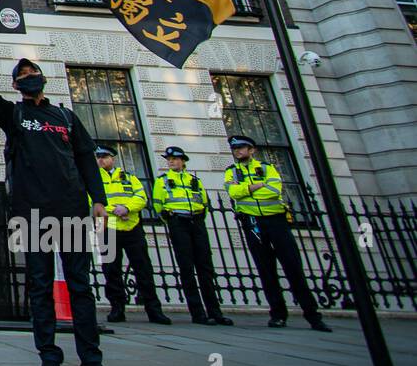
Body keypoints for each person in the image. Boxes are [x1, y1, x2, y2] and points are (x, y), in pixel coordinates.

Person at [0, 33, 119, 366]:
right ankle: (49, 358)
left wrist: (98, 199)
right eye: (21, 76)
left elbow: (85, 157)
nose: (28, 77)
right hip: (30, 212)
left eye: (31, 72)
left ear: (42, 78)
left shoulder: (65, 117)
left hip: (71, 210)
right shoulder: (16, 114)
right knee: (38, 287)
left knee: (80, 286)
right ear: (17, 85)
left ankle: (90, 361)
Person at [226, 135, 329, 332]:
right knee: (265, 269)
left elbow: (274, 190)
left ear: (252, 149)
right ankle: (278, 315)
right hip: (252, 222)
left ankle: (313, 315)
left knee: (293, 267)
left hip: (276, 220)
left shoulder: (267, 168)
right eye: (235, 149)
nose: (238, 151)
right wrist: (255, 186)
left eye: (241, 148)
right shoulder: (231, 172)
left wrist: (246, 189)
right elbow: (232, 193)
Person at [154, 146, 232, 326]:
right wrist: (172, 219)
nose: (171, 162)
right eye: (169, 159)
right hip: (177, 222)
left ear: (183, 161)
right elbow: (158, 205)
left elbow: (203, 202)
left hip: (196, 222)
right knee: (187, 268)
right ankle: (197, 313)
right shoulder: (162, 181)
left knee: (205, 268)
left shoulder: (194, 180)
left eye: (174, 159)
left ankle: (215, 311)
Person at [95, 145, 170, 325]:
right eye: (98, 157)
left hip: (132, 226)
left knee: (143, 268)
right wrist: (116, 210)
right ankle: (117, 308)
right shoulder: (94, 178)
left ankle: (153, 309)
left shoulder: (129, 177)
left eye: (104, 157)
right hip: (107, 227)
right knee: (111, 270)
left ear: (113, 158)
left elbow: (141, 197)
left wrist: (128, 208)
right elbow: (92, 200)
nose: (101, 160)